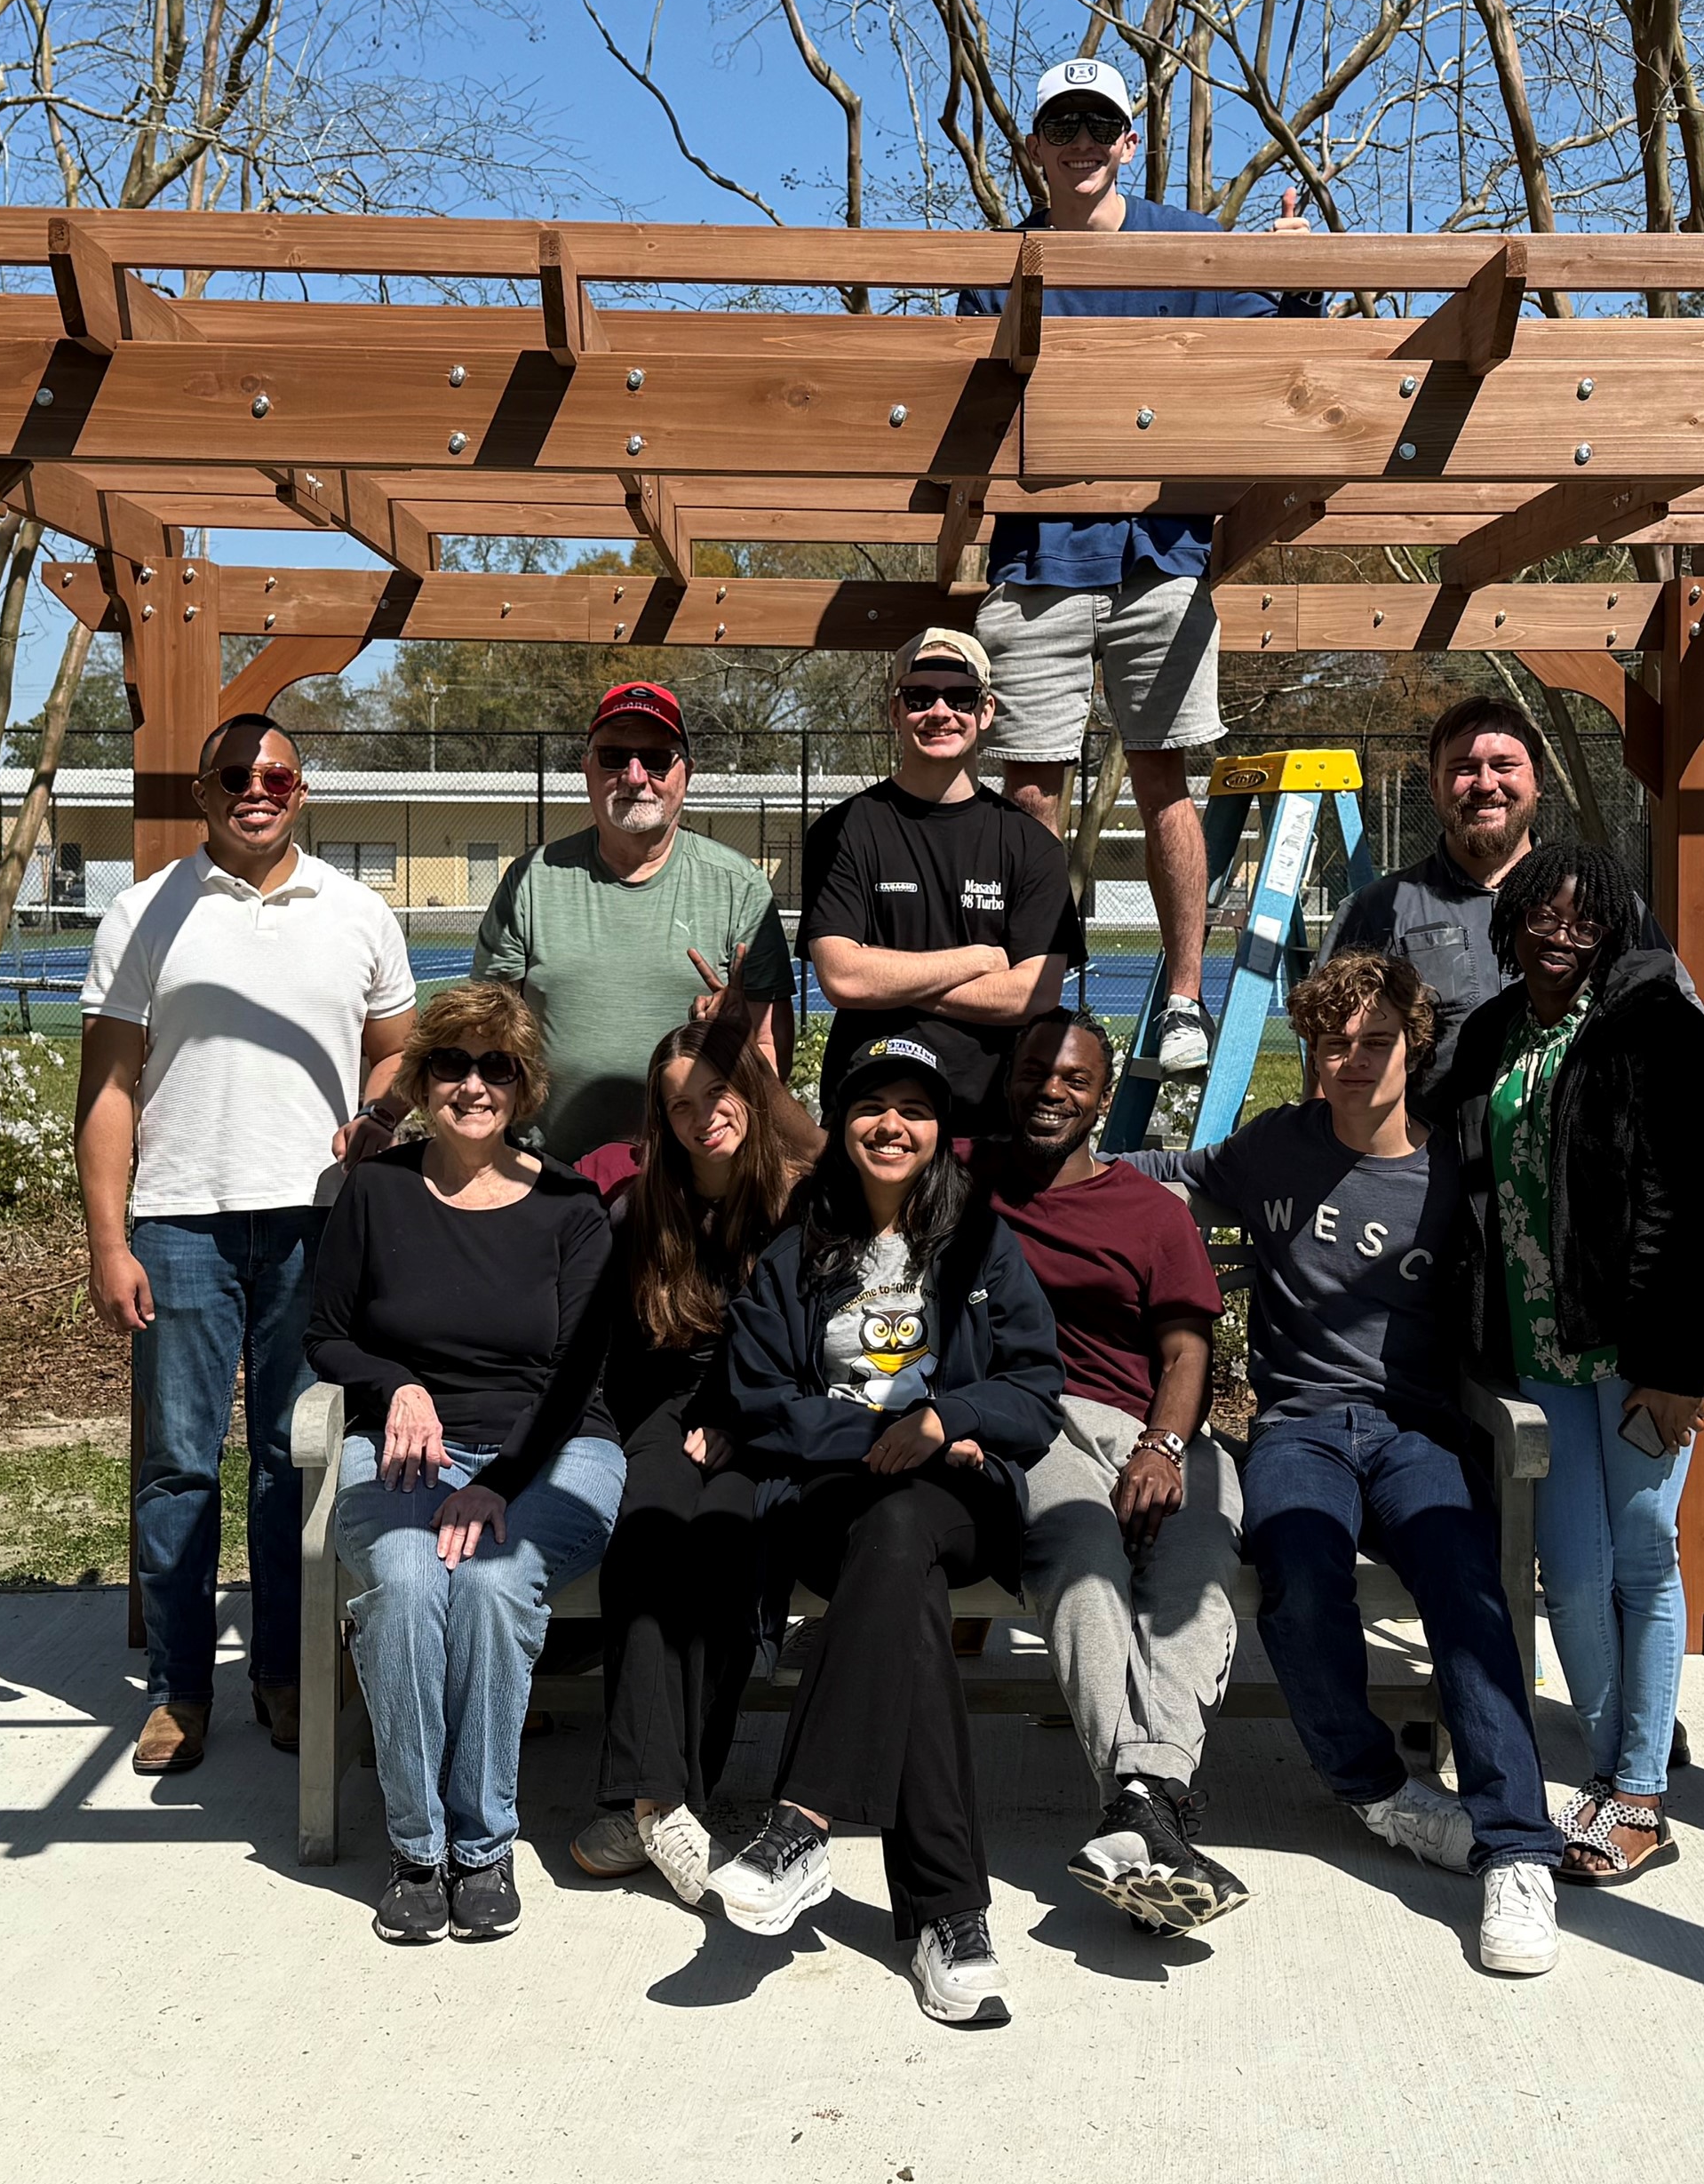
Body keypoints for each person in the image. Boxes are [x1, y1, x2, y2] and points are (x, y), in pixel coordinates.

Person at [1119, 950, 1564, 1977]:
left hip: (1416, 1431)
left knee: (1466, 1586)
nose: (1354, 1061)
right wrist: (1053, 1169)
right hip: (1301, 1428)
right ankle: (1378, 1790)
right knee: (1299, 1571)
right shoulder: (1279, 1146)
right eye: (1332, 1043)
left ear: (1416, 1046)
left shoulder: (1457, 1173)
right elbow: (1176, 1174)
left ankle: (1516, 1849)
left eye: (1376, 1042)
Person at [959, 54, 1318, 1080]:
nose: (1079, 142)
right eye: (1060, 126)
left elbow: (1282, 353)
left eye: (1097, 126)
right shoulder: (997, 265)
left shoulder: (1192, 248)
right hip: (1038, 555)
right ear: (1035, 148)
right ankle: (1035, 995)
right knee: (1030, 786)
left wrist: (1299, 275)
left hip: (1162, 550)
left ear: (1127, 142)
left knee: (1163, 775)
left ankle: (1185, 1002)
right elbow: (957, 400)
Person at [79, 713, 417, 1779]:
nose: (255, 790)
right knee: (178, 1465)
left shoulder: (359, 913)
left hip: (316, 1226)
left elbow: (397, 1050)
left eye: (275, 774)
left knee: (292, 1462)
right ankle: (179, 1690)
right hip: (180, 1223)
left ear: (301, 790)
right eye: (235, 775)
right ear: (203, 791)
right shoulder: (144, 912)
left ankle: (287, 1675)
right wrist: (108, 1241)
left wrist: (378, 1118)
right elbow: (107, 1087)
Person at [715, 1034, 1065, 2029]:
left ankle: (802, 1820)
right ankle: (950, 1917)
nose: (892, 1125)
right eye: (873, 1105)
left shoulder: (981, 1244)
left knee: (907, 1526)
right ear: (840, 1124)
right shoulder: (796, 1252)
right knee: (900, 1576)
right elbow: (760, 1402)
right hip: (834, 1502)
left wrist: (949, 1419)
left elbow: (1037, 1388)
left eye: (915, 1108)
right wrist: (885, 1432)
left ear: (941, 1130)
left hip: (960, 1496)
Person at [1429, 843, 1704, 1887]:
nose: (1561, 936)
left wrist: (1681, 1366)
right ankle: (1613, 1777)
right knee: (1569, 1571)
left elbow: (1702, 1201)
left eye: (1585, 920)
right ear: (1510, 922)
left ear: (1613, 928)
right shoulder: (1491, 1033)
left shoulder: (1657, 1024)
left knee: (1642, 1557)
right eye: (1542, 917)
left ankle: (1638, 1794)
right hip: (1538, 1349)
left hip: (1640, 1350)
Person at [307, 979, 627, 1946]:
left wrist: (498, 1483)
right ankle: (418, 1851)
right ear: (422, 1079)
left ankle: (483, 1846)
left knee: (490, 1581)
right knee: (407, 1583)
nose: (474, 1085)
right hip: (409, 1446)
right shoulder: (375, 1191)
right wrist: (398, 1383)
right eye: (452, 1063)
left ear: (525, 1086)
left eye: (499, 1067)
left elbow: (577, 1378)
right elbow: (324, 1336)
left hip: (555, 1450)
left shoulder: (570, 1205)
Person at [981, 1010, 1246, 1933]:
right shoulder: (966, 1181)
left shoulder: (1149, 1210)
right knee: (1082, 1557)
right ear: (1008, 1080)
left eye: (1076, 1079)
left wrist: (1162, 1448)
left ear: (1102, 1098)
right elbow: (822, 1146)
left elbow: (1186, 1352)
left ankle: (1139, 1809)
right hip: (1035, 1425)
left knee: (1196, 1568)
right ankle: (1152, 1808)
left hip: (1154, 1431)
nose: (1051, 1090)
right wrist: (748, 1054)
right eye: (1035, 1072)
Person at [568, 1018, 819, 1908]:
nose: (704, 1115)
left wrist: (745, 1418)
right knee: (646, 1538)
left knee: (726, 1542)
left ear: (750, 1092)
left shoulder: (802, 1206)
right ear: (661, 1120)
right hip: (666, 1407)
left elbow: (818, 1350)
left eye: (719, 1093)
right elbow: (617, 1356)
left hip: (770, 1412)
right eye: (680, 1105)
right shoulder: (641, 1209)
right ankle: (656, 1802)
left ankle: (667, 1797)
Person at [472, 681, 800, 1168]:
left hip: (691, 1178)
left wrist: (740, 1045)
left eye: (657, 758)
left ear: (686, 773)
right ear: (586, 768)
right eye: (613, 757)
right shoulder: (530, 881)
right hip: (548, 1174)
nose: (634, 775)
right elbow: (486, 1030)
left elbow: (771, 1046)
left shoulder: (739, 886)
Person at [796, 628, 1079, 1135]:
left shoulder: (1032, 845)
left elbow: (1033, 995)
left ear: (985, 711)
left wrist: (887, 983)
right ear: (894, 711)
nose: (940, 711)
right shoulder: (842, 831)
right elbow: (842, 978)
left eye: (961, 697)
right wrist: (979, 960)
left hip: (989, 1126)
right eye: (919, 696)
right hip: (867, 1118)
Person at [1328, 693, 1550, 1083]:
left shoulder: (1598, 904)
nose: (1486, 784)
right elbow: (1330, 1062)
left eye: (1504, 766)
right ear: (1434, 784)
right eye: (1465, 768)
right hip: (1429, 1126)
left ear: (1538, 781)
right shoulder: (1374, 913)